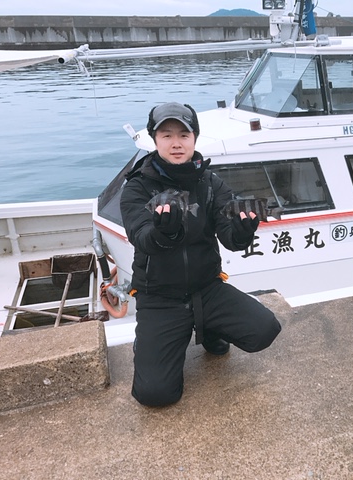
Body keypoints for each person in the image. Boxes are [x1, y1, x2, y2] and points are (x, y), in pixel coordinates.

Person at [120, 102, 282, 407]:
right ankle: (153, 342)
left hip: (207, 288)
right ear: (155, 140)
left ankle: (209, 327)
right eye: (167, 135)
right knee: (154, 395)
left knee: (265, 330)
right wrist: (164, 232)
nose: (177, 143)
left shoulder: (210, 183)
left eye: (184, 134)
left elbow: (231, 239)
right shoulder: (137, 187)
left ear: (195, 138)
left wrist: (244, 229)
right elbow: (141, 238)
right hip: (160, 298)